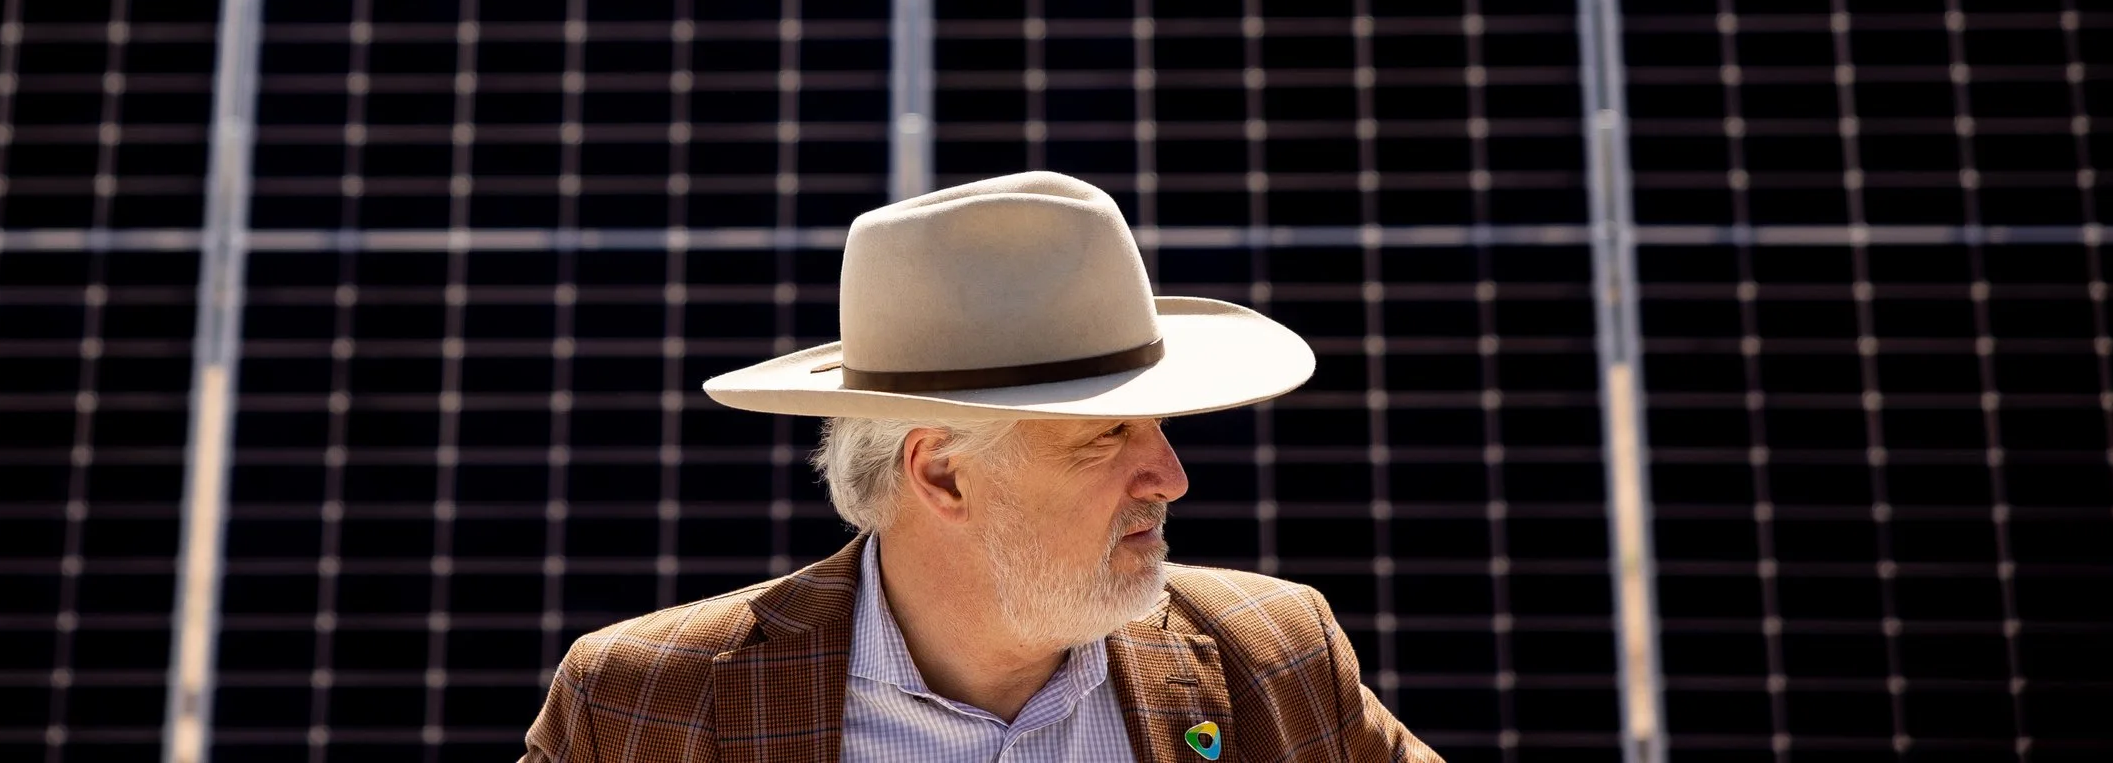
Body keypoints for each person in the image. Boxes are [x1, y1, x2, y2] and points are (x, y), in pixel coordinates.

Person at [523, 171, 1441, 763]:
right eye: (1107, 435)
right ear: (943, 475)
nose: (1171, 475)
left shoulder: (1275, 656)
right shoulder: (642, 704)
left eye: (1156, 428)